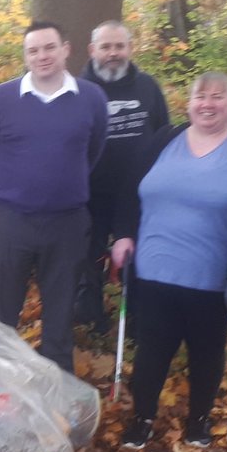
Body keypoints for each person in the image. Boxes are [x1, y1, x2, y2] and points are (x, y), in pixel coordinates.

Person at [111, 73, 227, 450]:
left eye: (218, 97)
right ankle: (142, 418)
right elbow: (129, 190)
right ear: (189, 102)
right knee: (152, 349)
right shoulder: (164, 139)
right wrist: (123, 235)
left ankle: (199, 420)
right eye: (200, 96)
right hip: (153, 270)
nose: (208, 104)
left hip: (213, 274)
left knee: (207, 352)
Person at [0, 21, 108, 373]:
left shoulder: (92, 98)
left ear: (66, 49)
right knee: (4, 315)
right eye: (33, 50)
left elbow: (92, 151)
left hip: (67, 224)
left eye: (49, 48)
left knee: (60, 318)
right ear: (25, 56)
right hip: (11, 221)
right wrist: (15, 183)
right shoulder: (1, 99)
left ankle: (55, 394)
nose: (42, 56)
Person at [76, 21, 169, 333]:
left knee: (138, 261)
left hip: (140, 195)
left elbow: (163, 135)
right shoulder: (77, 90)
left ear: (130, 48)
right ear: (92, 50)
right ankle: (90, 323)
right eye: (106, 47)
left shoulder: (148, 87)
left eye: (119, 46)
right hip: (90, 194)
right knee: (87, 260)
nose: (113, 53)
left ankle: (136, 327)